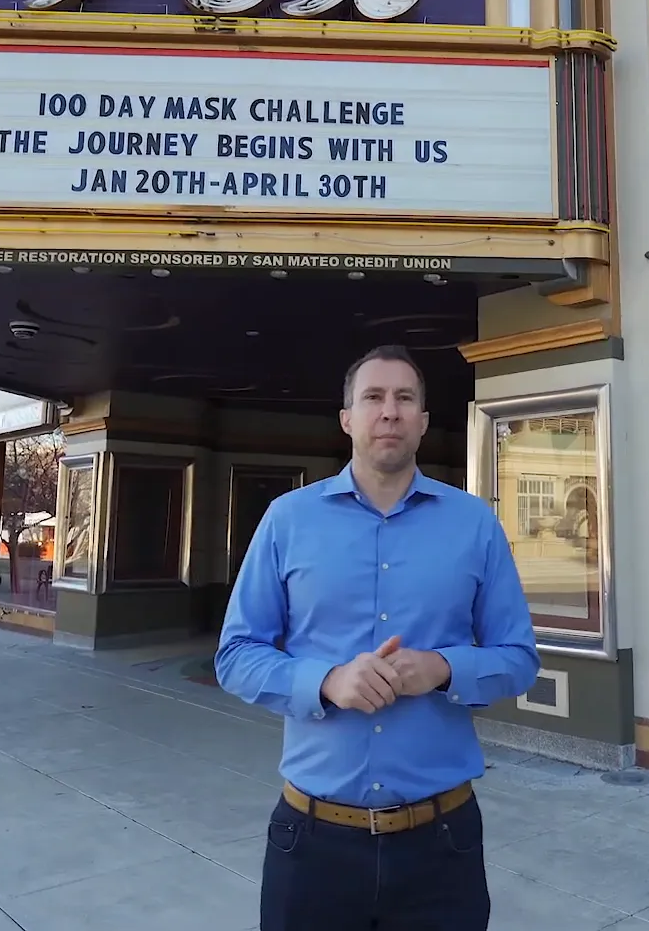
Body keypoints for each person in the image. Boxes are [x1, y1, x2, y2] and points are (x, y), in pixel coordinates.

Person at [215, 344, 540, 931]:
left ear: (422, 421)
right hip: (312, 844)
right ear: (347, 419)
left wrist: (441, 669)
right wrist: (327, 681)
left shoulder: (475, 525)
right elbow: (236, 655)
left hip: (443, 845)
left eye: (404, 398)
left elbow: (518, 658)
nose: (388, 411)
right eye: (372, 397)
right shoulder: (287, 521)